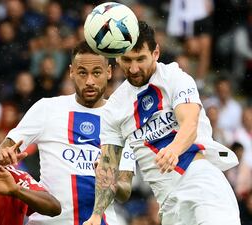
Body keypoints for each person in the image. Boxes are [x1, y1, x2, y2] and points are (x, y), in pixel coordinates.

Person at [83, 21, 240, 225]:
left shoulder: (175, 78)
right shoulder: (114, 107)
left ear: (156, 53)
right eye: (127, 60)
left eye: (141, 59)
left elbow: (190, 124)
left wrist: (174, 149)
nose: (133, 68)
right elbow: (108, 163)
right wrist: (97, 214)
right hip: (167, 202)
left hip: (201, 184)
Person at [0, 41, 135, 225]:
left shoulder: (123, 121)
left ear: (109, 72)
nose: (90, 81)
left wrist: (110, 181)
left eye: (97, 72)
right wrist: (5, 153)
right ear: (71, 72)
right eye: (82, 73)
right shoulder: (47, 108)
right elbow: (7, 146)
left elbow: (125, 191)